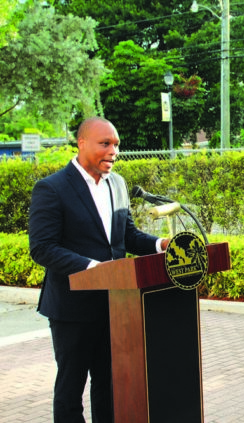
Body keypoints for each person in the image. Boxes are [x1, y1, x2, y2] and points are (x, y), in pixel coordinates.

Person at [29, 117, 170, 422]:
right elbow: (42, 247)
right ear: (81, 143)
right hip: (72, 308)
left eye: (116, 144)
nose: (113, 151)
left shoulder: (117, 184)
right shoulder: (52, 188)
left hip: (115, 306)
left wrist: (161, 245)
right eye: (105, 144)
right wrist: (95, 269)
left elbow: (127, 235)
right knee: (71, 388)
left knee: (109, 385)